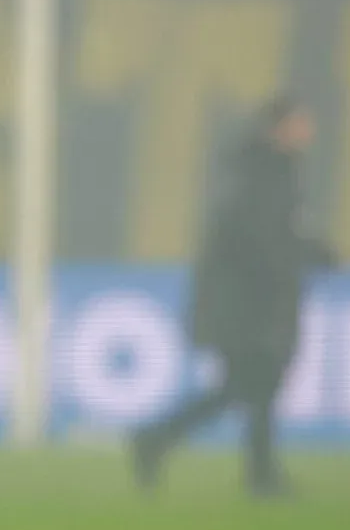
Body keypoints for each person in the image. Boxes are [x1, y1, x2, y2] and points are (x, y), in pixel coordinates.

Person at [133, 96, 333, 496]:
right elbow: (256, 239)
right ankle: (161, 440)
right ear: (279, 127)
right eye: (300, 123)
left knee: (254, 387)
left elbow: (276, 234)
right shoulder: (258, 176)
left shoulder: (269, 172)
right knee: (248, 385)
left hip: (254, 303)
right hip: (244, 305)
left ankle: (253, 471)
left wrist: (312, 252)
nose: (307, 132)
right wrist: (302, 255)